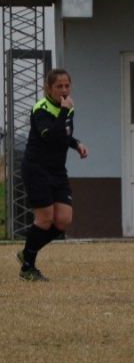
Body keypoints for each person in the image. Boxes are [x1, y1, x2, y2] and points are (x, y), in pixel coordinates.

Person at [17, 69, 89, 281]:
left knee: (63, 220)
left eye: (67, 86)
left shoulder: (67, 108)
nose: (64, 90)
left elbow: (64, 135)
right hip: (36, 169)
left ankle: (26, 253)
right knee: (45, 218)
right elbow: (50, 137)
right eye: (59, 86)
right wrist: (65, 112)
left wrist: (76, 144)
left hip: (57, 170)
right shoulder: (41, 109)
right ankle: (27, 267)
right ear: (48, 88)